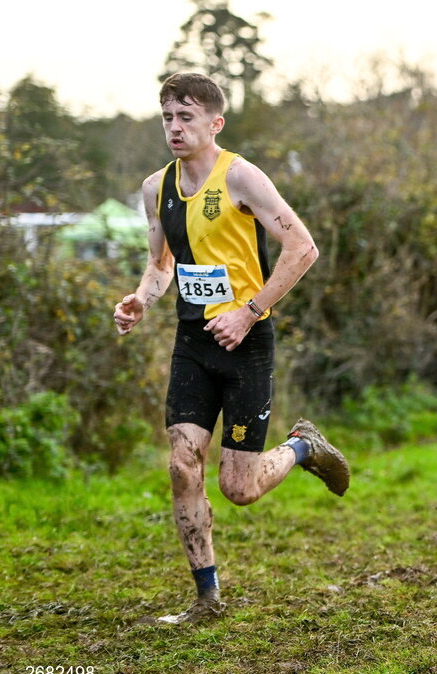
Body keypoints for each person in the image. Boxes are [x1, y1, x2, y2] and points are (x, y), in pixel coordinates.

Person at [114, 73, 349, 624]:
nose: (174, 126)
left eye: (186, 116)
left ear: (214, 123)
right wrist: (140, 300)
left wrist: (250, 312)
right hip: (193, 343)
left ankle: (302, 447)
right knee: (181, 465)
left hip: (246, 343)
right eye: (168, 116)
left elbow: (303, 247)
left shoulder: (241, 176)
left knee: (239, 488)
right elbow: (160, 265)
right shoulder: (156, 188)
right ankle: (207, 599)